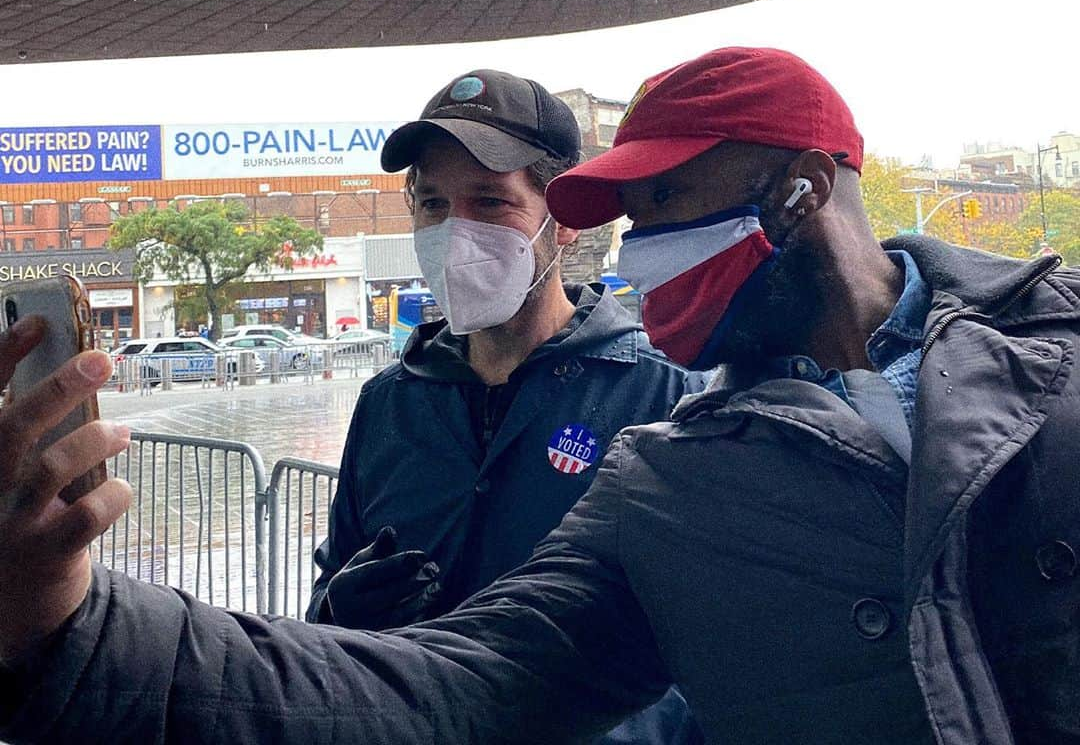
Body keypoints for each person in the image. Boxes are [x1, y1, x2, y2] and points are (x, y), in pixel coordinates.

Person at [2, 46, 1079, 745]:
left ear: (799, 192)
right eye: (432, 204)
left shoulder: (1055, 348)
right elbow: (457, 692)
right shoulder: (674, 476)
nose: (645, 252)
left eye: (666, 206)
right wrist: (71, 628)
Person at [304, 69, 701, 743]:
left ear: (565, 221)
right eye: (432, 205)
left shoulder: (662, 394)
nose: (454, 233)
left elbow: (711, 635)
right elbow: (324, 604)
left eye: (489, 202)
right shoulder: (387, 406)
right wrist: (337, 613)